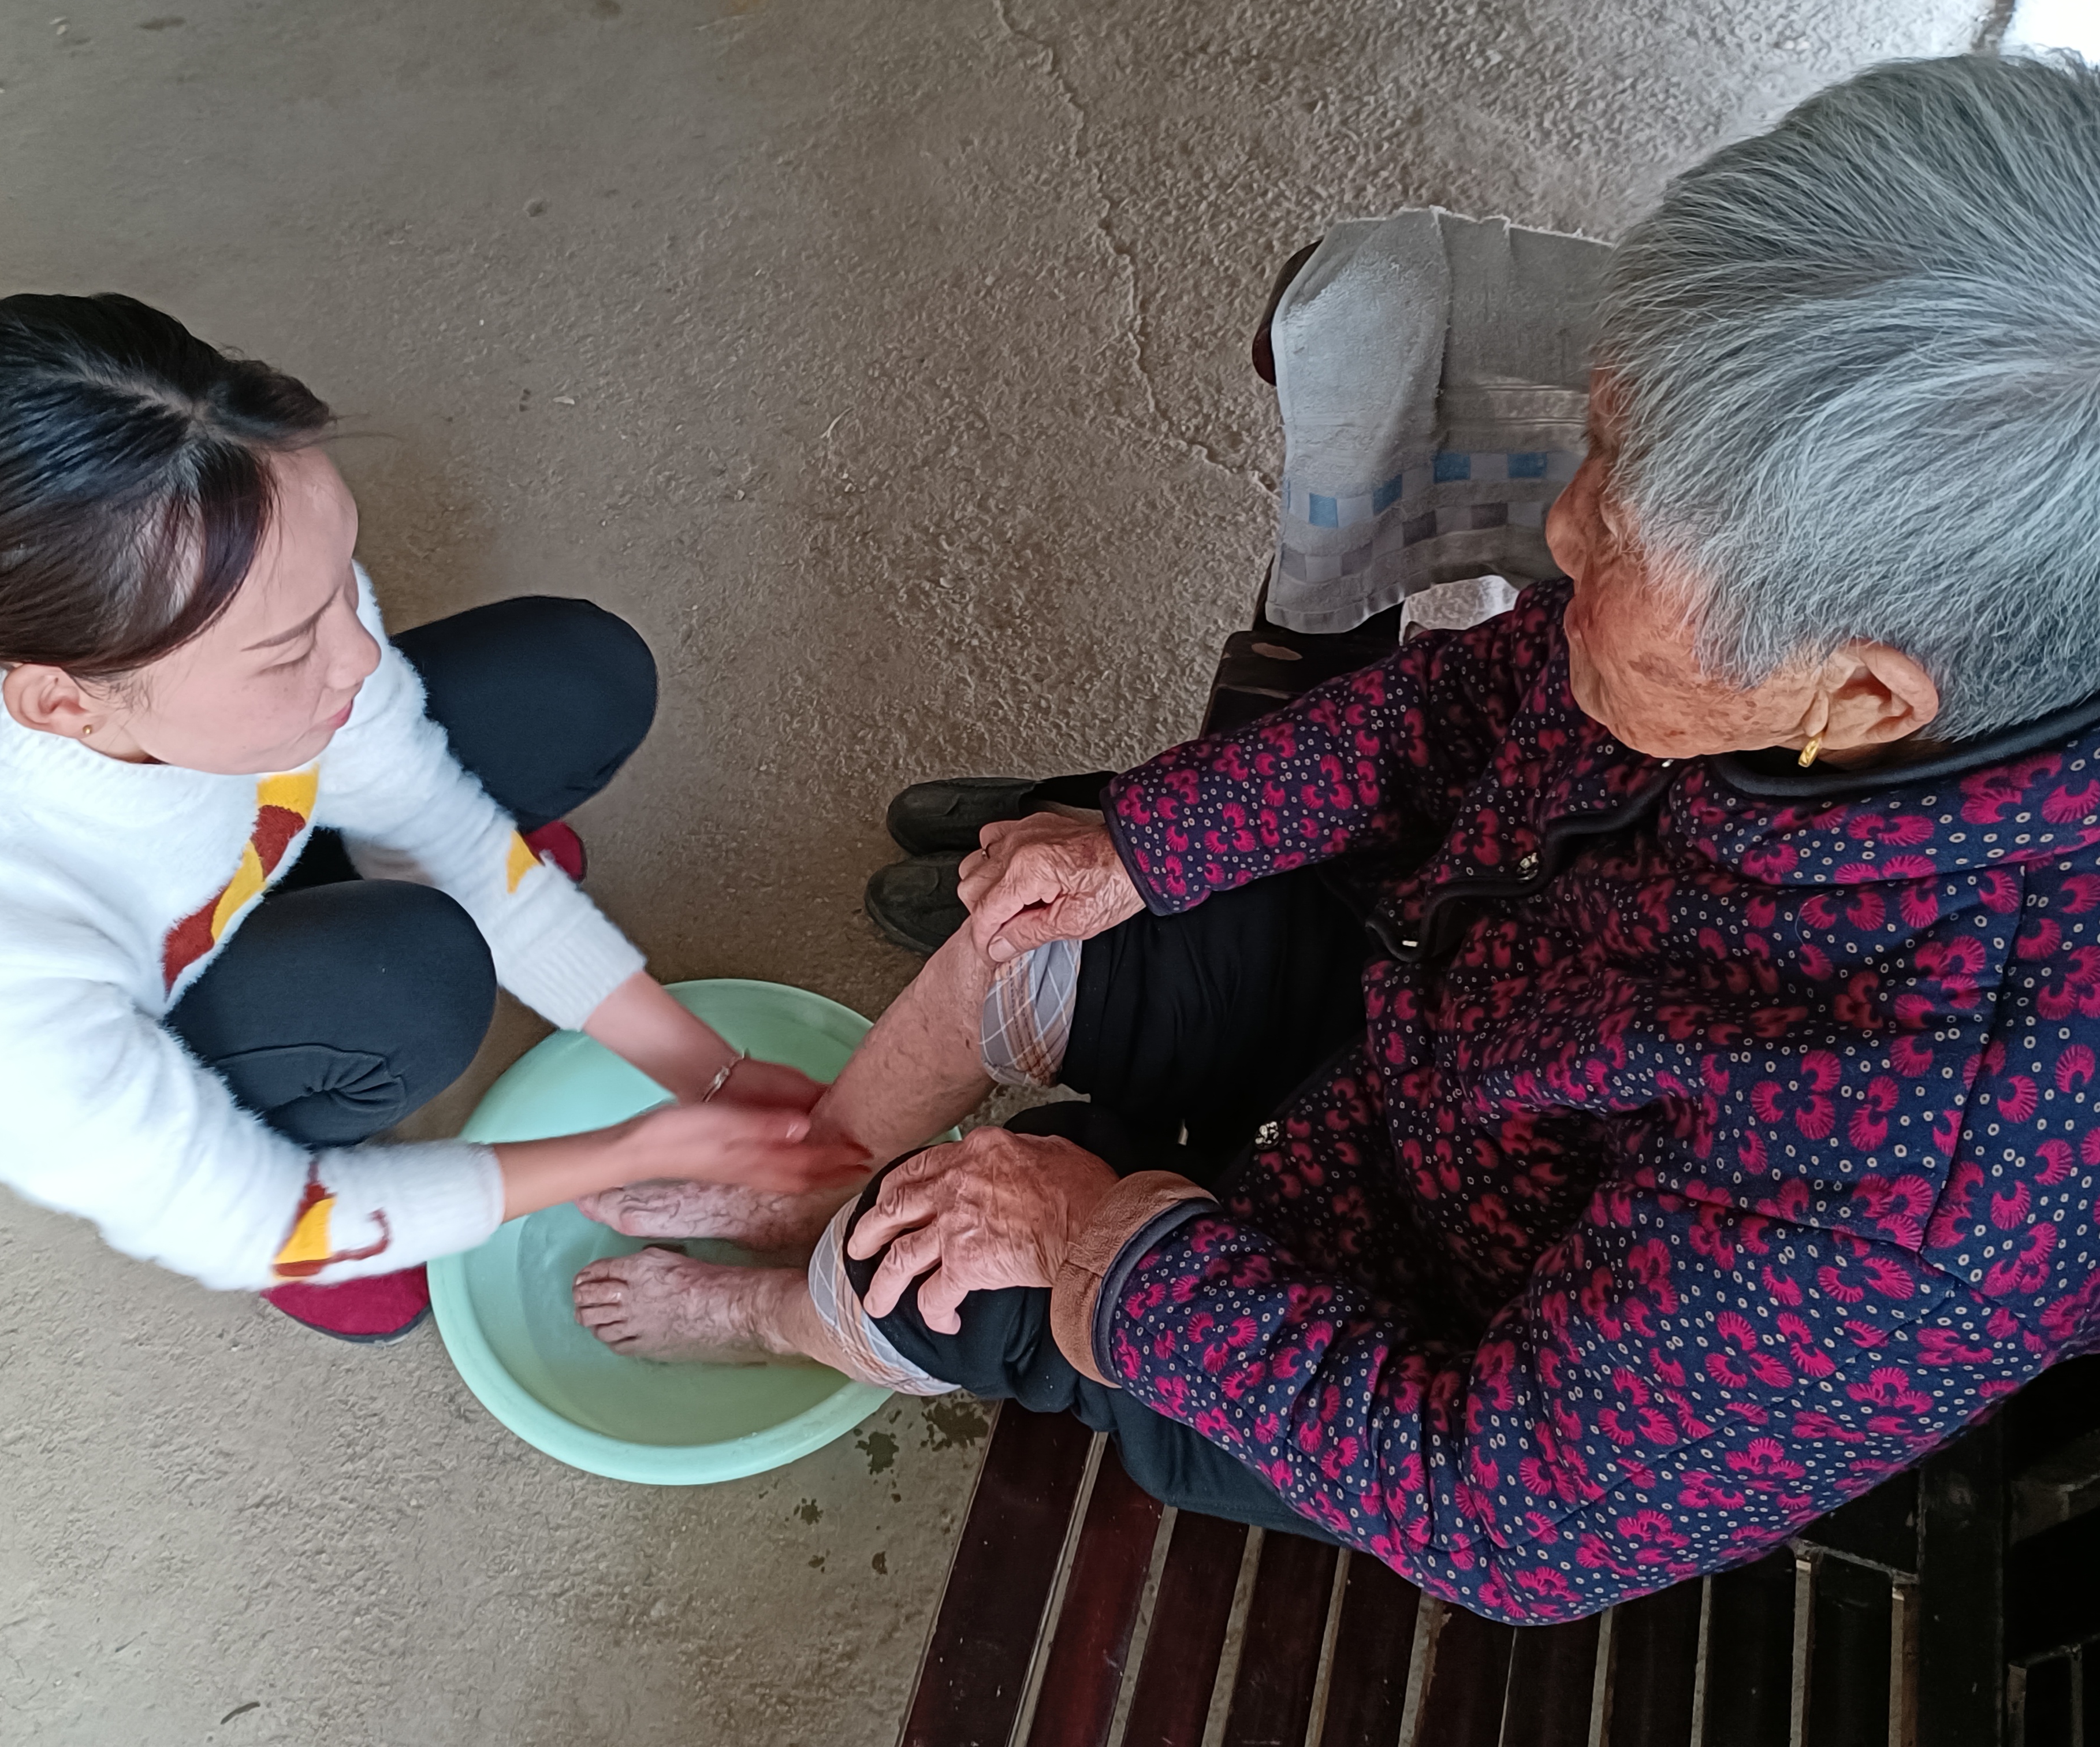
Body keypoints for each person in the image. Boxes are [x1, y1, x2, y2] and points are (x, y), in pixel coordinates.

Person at [570, 51, 2100, 1623]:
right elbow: (1456, 706)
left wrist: (1104, 1238)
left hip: (1403, 1311)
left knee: (934, 1268)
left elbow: (1512, 1520)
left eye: (1626, 529)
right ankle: (814, 1170)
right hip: (1425, 995)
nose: (1559, 532)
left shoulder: (1938, 1181)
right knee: (1035, 926)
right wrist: (1140, 844)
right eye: (1604, 444)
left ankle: (777, 1312)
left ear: (1860, 698)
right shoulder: (1750, 671)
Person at [0, 255, 860, 1344]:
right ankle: (306, 1116)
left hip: (202, 839)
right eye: (292, 644)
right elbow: (240, 1217)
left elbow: (431, 811)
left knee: (578, 679)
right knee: (418, 979)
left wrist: (704, 1072)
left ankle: (345, 897)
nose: (360, 654)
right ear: (65, 703)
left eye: (343, 573)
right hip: (118, 991)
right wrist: (632, 1151)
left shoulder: (225, 542)